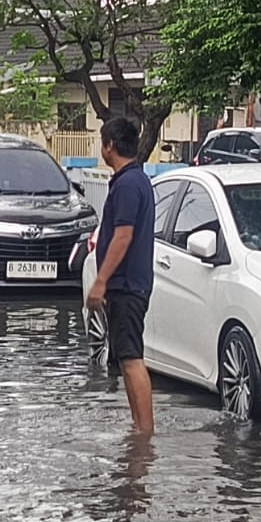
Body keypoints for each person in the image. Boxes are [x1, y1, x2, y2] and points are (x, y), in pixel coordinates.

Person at [86, 115, 155, 435]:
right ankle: (138, 428)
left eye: (103, 142)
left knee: (130, 358)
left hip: (127, 284)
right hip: (128, 284)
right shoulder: (134, 180)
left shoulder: (128, 184)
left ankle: (144, 433)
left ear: (110, 145)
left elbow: (123, 236)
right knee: (126, 357)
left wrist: (100, 281)